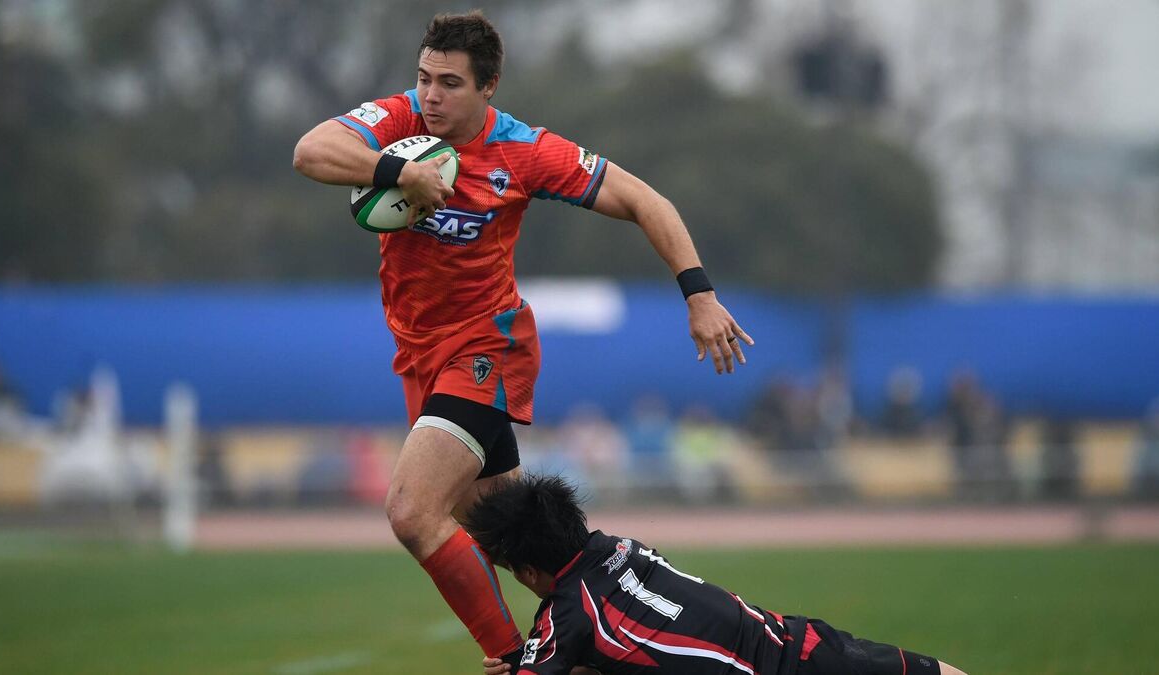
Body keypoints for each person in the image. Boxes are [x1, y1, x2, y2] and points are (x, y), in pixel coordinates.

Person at [292, 11, 753, 663]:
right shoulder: (400, 122)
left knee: (411, 511)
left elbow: (645, 200)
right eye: (424, 79)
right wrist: (400, 172)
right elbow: (310, 152)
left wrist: (699, 294)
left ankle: (516, 660)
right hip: (419, 357)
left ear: (489, 87)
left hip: (486, 350)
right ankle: (649, 613)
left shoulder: (525, 151)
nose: (430, 96)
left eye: (450, 83)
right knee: (516, 541)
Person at [470, 474, 968, 675]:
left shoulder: (565, 616)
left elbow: (574, 637)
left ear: (529, 571)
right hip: (797, 644)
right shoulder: (620, 547)